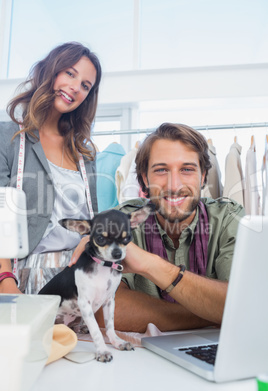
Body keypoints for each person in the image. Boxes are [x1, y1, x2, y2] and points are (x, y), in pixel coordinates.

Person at [102, 122, 245, 333]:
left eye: (187, 169)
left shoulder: (228, 219)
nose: (174, 186)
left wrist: (151, 265)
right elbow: (105, 309)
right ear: (144, 178)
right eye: (161, 170)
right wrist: (213, 312)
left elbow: (245, 302)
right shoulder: (119, 222)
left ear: (203, 176)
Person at [0, 41, 102, 295]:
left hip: (83, 272)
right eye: (70, 73)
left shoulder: (84, 153)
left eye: (85, 86)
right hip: (23, 276)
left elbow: (92, 223)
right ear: (51, 70)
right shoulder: (8, 138)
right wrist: (5, 280)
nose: (75, 88)